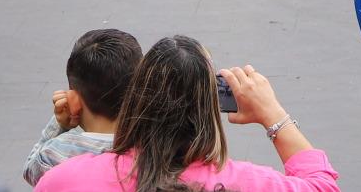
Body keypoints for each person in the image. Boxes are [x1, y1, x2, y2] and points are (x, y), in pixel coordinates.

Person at [36, 36, 339, 192]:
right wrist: (273, 114)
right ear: (208, 110)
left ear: (135, 100)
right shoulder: (246, 182)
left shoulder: (65, 179)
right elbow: (322, 186)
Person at [24, 28, 144, 185]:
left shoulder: (56, 153)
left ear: (73, 100)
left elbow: (30, 170)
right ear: (141, 89)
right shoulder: (154, 145)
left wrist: (59, 124)